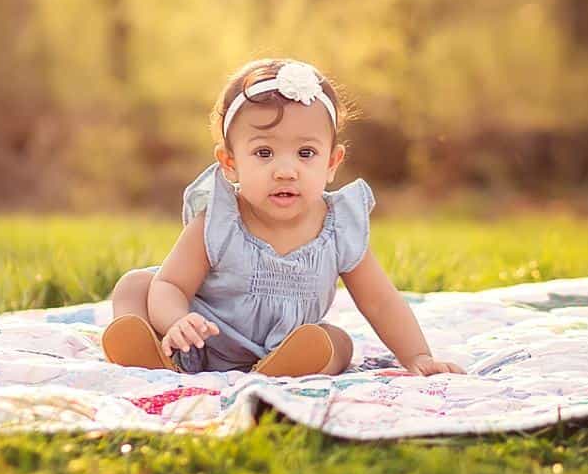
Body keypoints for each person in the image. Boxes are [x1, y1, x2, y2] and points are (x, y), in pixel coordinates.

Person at [103, 58, 463, 377]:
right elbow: (171, 286)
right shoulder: (220, 221)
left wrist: (417, 356)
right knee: (136, 285)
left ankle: (285, 368)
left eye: (306, 153)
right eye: (264, 152)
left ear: (332, 163)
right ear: (230, 163)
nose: (286, 170)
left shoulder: (338, 228)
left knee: (336, 342)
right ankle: (150, 351)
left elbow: (381, 301)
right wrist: (177, 322)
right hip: (198, 340)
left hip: (286, 346)